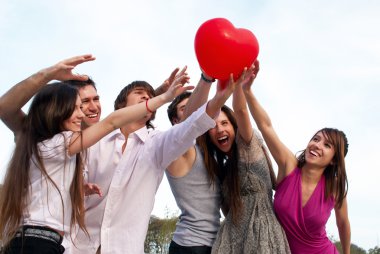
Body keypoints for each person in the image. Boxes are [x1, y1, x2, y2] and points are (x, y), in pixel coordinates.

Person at [0, 54, 194, 253]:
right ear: (59, 109)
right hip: (45, 242)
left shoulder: (73, 145)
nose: (89, 109)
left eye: (96, 99)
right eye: (81, 104)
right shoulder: (49, 138)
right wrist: (49, 74)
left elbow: (119, 120)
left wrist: (155, 95)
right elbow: (113, 121)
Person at [72, 68, 237, 253]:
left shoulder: (157, 145)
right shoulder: (94, 141)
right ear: (120, 106)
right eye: (139, 94)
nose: (147, 98)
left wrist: (210, 83)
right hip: (80, 247)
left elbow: (191, 124)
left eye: (149, 96)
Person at [242, 61, 351, 253]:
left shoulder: (335, 188)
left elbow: (343, 224)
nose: (317, 145)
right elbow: (266, 127)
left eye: (327, 145)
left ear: (334, 159)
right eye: (315, 139)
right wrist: (248, 91)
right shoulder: (289, 165)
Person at [184, 65, 291, 253]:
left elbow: (241, 110)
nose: (220, 130)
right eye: (213, 126)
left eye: (225, 123)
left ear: (234, 127)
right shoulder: (222, 169)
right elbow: (189, 122)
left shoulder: (249, 146)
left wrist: (240, 85)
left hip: (262, 235)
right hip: (230, 240)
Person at [165, 90, 221, 254]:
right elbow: (190, 122)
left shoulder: (209, 152)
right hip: (190, 245)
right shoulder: (180, 149)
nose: (195, 111)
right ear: (175, 121)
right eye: (186, 108)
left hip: (212, 243)